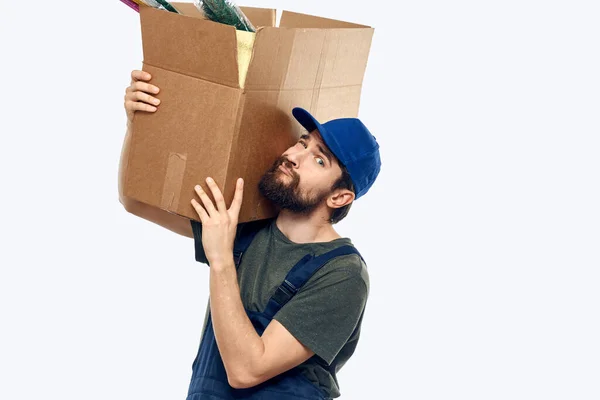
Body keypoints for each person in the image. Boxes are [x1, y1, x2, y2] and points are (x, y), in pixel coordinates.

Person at [121, 70, 382, 399]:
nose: (293, 157)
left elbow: (247, 370)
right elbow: (135, 200)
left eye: (318, 160)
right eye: (302, 142)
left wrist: (220, 260)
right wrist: (136, 125)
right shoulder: (247, 226)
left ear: (339, 197)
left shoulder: (341, 273)